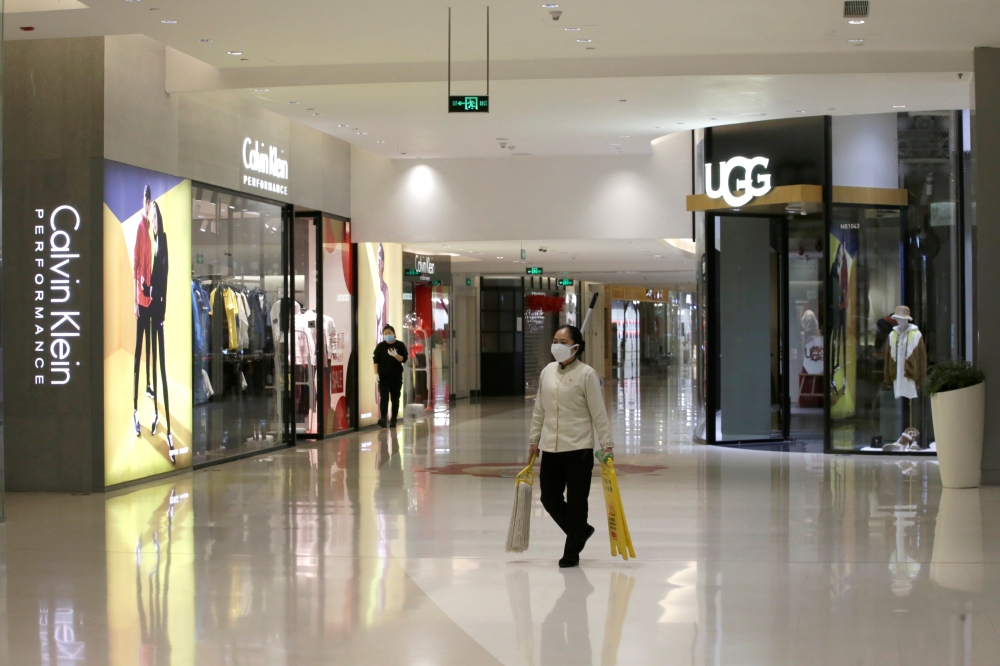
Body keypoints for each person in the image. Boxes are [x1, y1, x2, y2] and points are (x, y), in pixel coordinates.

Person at [529, 325, 614, 568]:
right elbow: (539, 409)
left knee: (577, 502)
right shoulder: (547, 372)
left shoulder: (587, 374)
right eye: (555, 340)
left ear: (575, 347)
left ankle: (571, 552)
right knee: (549, 499)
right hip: (551, 448)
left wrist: (607, 444)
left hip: (578, 449)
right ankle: (580, 531)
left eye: (563, 341)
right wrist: (534, 440)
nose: (557, 344)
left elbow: (599, 413)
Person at [147, 201, 176, 463]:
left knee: (162, 368)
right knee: (152, 365)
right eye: (151, 216)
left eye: (156, 216)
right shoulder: (150, 240)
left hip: (158, 312)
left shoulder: (162, 241)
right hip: (147, 309)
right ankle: (155, 415)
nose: (154, 221)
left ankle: (167, 426)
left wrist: (161, 310)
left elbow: (163, 277)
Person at [133, 185, 154, 437]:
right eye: (146, 201)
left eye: (150, 202)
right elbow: (136, 265)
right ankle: (134, 409)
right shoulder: (140, 228)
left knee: (149, 347)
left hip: (149, 299)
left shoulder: (150, 230)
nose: (147, 206)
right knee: (139, 351)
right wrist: (134, 300)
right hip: (141, 300)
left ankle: (149, 385)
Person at [373, 325, 408, 428]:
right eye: (385, 334)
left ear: (394, 334)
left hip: (396, 377)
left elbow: (404, 359)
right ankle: (383, 419)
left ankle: (393, 419)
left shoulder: (400, 345)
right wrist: (376, 373)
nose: (388, 335)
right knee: (384, 397)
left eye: (389, 333)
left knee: (395, 398)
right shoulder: (380, 346)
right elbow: (376, 360)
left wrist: (395, 355)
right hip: (383, 377)